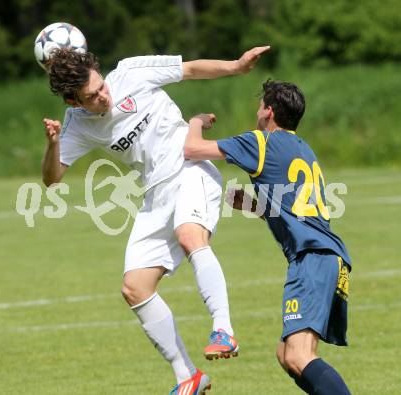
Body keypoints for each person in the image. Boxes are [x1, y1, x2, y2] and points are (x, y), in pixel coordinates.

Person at [41, 45, 270, 394]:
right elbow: (51, 178)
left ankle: (223, 329)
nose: (105, 95)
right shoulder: (76, 125)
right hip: (156, 193)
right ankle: (188, 376)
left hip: (191, 167)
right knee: (134, 287)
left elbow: (190, 69)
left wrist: (237, 66)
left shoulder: (131, 72)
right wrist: (53, 144)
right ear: (74, 102)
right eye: (93, 96)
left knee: (190, 235)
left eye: (102, 86)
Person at [184, 80, 352, 394]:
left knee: (300, 356)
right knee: (287, 354)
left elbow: (192, 149)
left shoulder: (260, 142)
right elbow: (292, 209)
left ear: (269, 111)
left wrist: (196, 121)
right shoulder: (303, 148)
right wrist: (249, 204)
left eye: (260, 105)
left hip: (312, 259)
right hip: (329, 258)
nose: (257, 112)